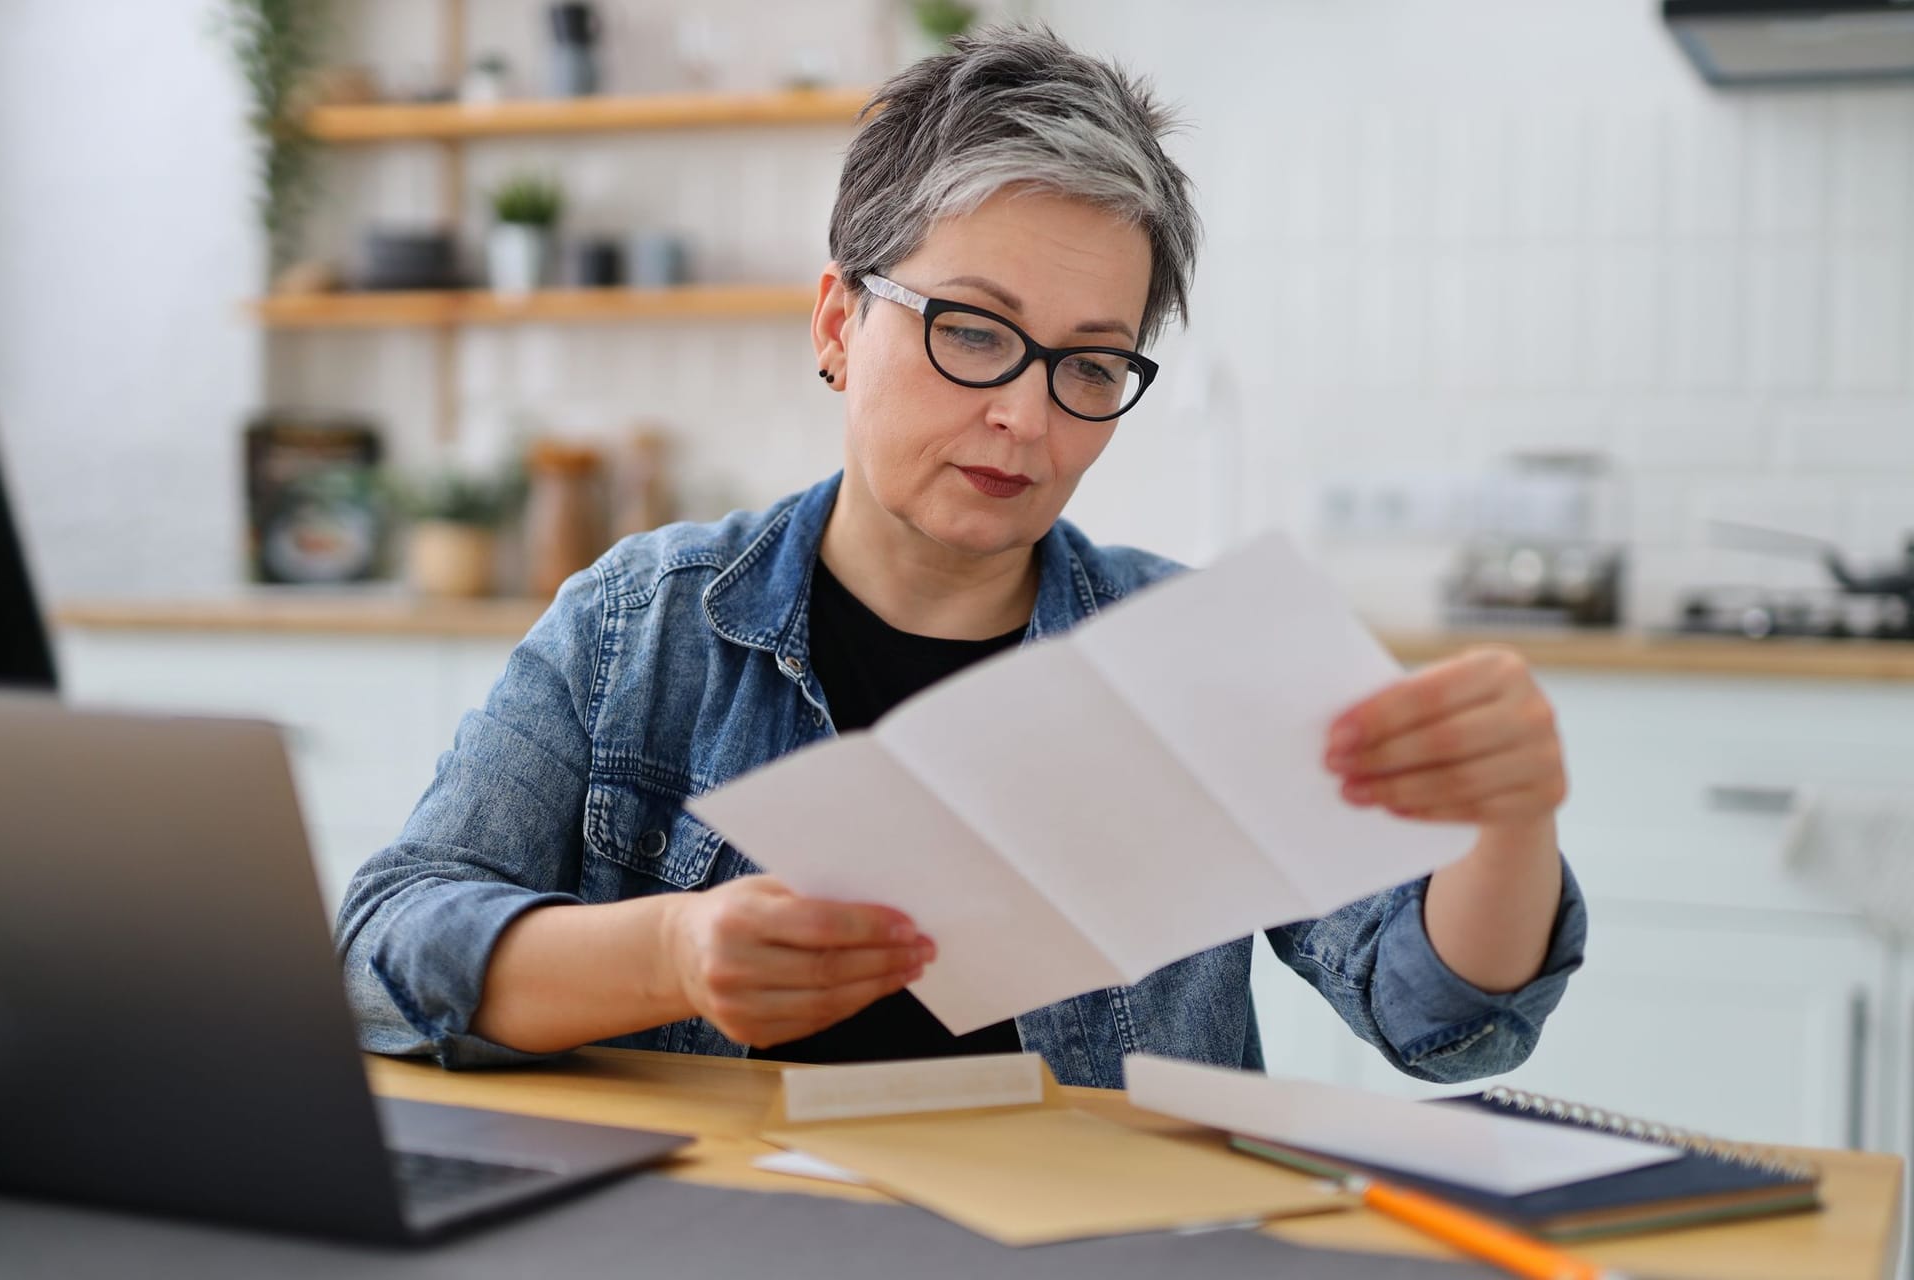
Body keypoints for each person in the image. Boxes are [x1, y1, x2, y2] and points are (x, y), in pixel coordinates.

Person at [338, 25, 1585, 1090]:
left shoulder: (1196, 658)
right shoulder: (639, 629)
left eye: (1091, 364)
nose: (1028, 418)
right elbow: (382, 955)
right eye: (974, 332)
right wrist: (666, 953)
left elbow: (1442, 1022)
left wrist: (1509, 825)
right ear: (839, 320)